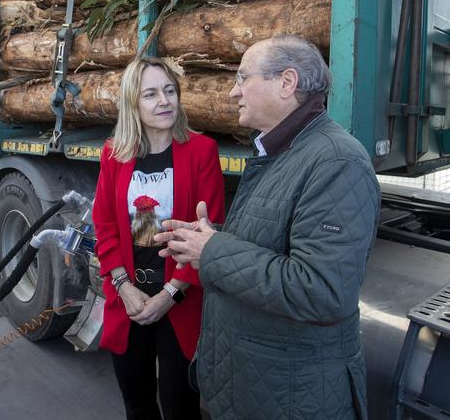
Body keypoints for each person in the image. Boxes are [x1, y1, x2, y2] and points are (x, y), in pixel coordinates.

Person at [155, 35, 381, 419]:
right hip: (256, 388)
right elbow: (267, 248)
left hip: (289, 398)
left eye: (243, 78)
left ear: (287, 82)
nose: (232, 92)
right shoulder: (280, 152)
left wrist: (212, 250)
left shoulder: (336, 163)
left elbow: (320, 290)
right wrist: (206, 239)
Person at [92, 56, 225, 420]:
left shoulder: (201, 151)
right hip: (129, 297)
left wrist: (171, 294)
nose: (164, 101)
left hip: (180, 298)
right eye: (150, 94)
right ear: (132, 103)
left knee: (180, 406)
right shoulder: (113, 155)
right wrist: (123, 286)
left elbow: (208, 232)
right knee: (137, 403)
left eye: (169, 91)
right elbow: (103, 224)